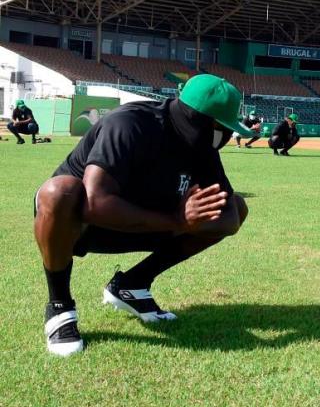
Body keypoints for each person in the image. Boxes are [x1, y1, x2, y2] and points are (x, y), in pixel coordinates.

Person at [33, 74, 252, 356]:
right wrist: (178, 220)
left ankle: (132, 285)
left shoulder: (201, 146)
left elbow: (232, 215)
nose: (229, 137)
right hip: (80, 225)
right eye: (226, 129)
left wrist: (195, 219)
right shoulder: (129, 124)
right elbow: (95, 204)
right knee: (57, 191)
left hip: (147, 224)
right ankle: (60, 305)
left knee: (236, 204)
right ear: (204, 122)